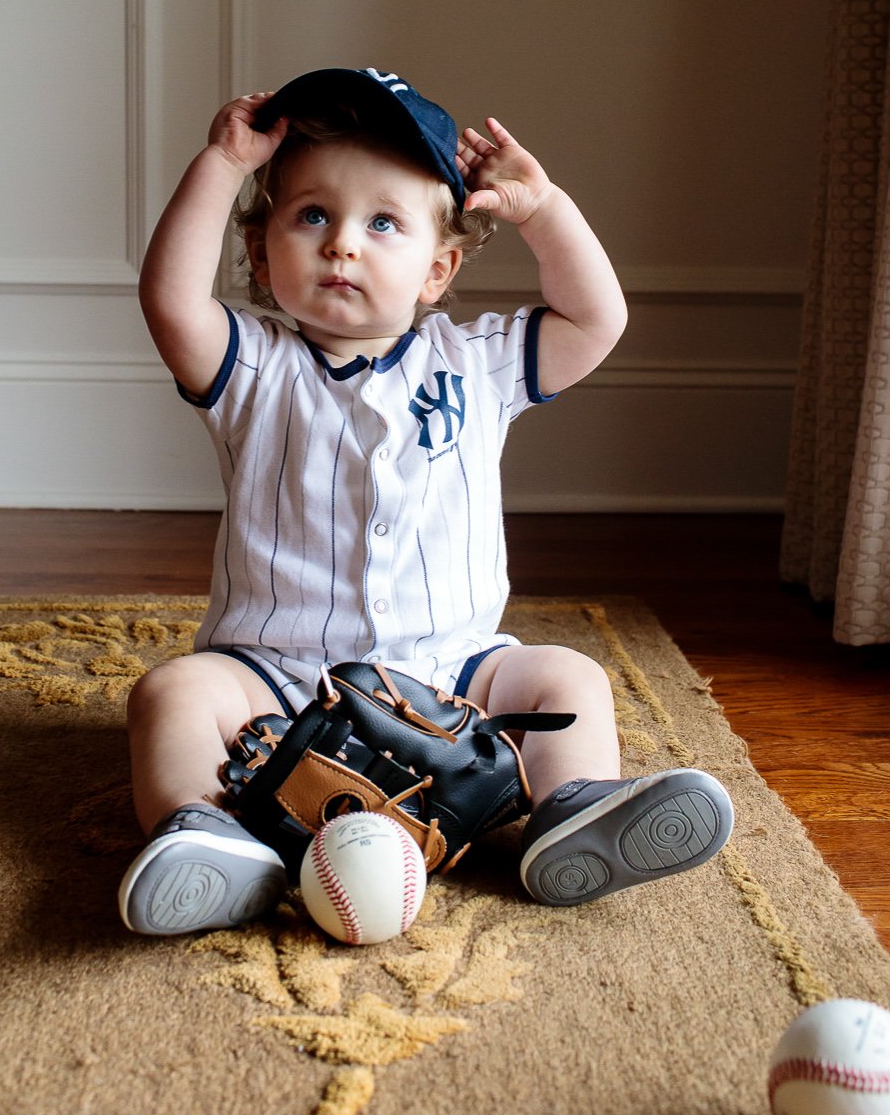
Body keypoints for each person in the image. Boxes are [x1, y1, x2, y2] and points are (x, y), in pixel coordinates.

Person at [117, 67, 734, 937]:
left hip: (456, 679)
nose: (343, 245)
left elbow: (597, 320)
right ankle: (204, 829)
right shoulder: (254, 368)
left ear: (437, 269)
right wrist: (222, 164)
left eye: (382, 223)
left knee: (569, 678)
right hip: (276, 682)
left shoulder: (474, 363)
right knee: (173, 694)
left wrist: (543, 210)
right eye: (312, 216)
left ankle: (571, 808)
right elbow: (171, 298)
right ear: (260, 256)